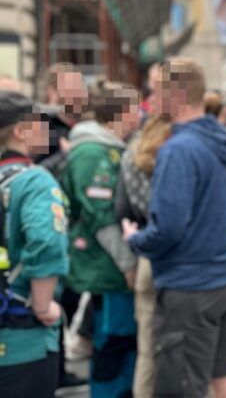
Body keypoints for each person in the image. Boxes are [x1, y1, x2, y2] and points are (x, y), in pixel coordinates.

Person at [122, 58, 226, 398]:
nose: (151, 98)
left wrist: (136, 239)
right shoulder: (217, 139)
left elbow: (169, 229)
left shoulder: (178, 149)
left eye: (156, 90)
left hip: (192, 284)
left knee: (181, 386)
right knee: (223, 374)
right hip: (225, 274)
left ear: (175, 95)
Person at [61, 81, 142, 397]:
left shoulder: (108, 147)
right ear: (120, 114)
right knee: (114, 340)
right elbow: (100, 214)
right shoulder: (92, 152)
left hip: (112, 264)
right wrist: (127, 262)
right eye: (135, 111)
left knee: (122, 340)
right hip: (108, 266)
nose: (139, 118)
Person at [0, 91, 69, 398]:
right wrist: (42, 305)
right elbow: (46, 243)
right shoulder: (35, 182)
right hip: (21, 337)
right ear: (19, 131)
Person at [115, 113, 172, 398]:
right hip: (178, 256)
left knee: (147, 349)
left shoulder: (131, 153)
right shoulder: (176, 151)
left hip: (145, 252)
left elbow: (121, 209)